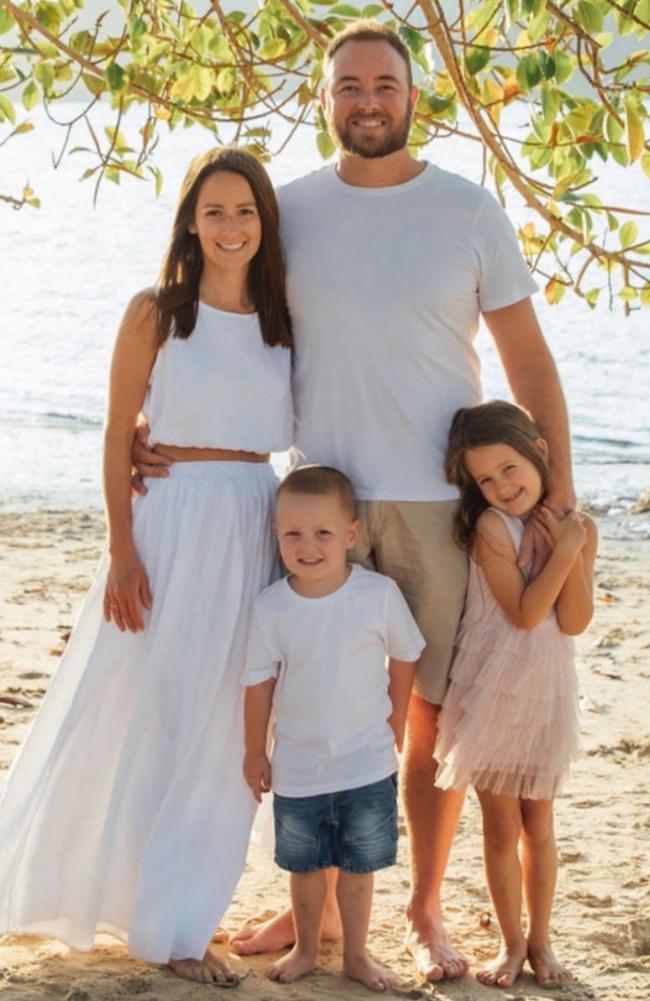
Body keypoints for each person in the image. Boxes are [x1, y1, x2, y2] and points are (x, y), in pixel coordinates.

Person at [135, 19, 577, 982]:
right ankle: (320, 904)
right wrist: (150, 423)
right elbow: (216, 313)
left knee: (427, 714)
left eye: (385, 84)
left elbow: (527, 358)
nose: (367, 101)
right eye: (348, 86)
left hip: (437, 506)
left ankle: (416, 905)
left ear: (415, 96)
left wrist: (561, 496)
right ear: (323, 98)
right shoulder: (288, 212)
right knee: (310, 695)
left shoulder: (468, 210)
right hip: (317, 499)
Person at [0, 148, 293, 985]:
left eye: (245, 211)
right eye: (215, 211)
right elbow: (114, 430)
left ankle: (178, 916)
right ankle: (132, 907)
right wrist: (121, 546)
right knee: (138, 709)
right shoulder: (156, 313)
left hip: (253, 527)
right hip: (167, 529)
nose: (231, 226)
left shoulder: (283, 321)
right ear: (190, 223)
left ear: (264, 222)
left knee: (226, 729)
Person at [242, 466, 425, 991]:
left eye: (323, 532)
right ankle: (305, 946)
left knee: (357, 869)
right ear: (275, 535)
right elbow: (257, 683)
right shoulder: (271, 607)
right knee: (304, 868)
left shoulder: (377, 594)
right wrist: (255, 751)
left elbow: (406, 656)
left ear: (350, 535)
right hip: (299, 766)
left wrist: (394, 722)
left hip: (366, 764)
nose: (308, 545)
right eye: (292, 534)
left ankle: (356, 955)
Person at [435, 401, 597, 988]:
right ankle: (510, 944)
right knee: (502, 828)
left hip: (547, 694)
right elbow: (528, 614)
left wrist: (574, 547)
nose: (503, 487)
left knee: (542, 827)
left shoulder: (577, 526)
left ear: (540, 452)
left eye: (509, 468)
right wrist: (563, 551)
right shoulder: (490, 529)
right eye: (486, 479)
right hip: (495, 691)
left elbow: (573, 621)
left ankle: (542, 943)